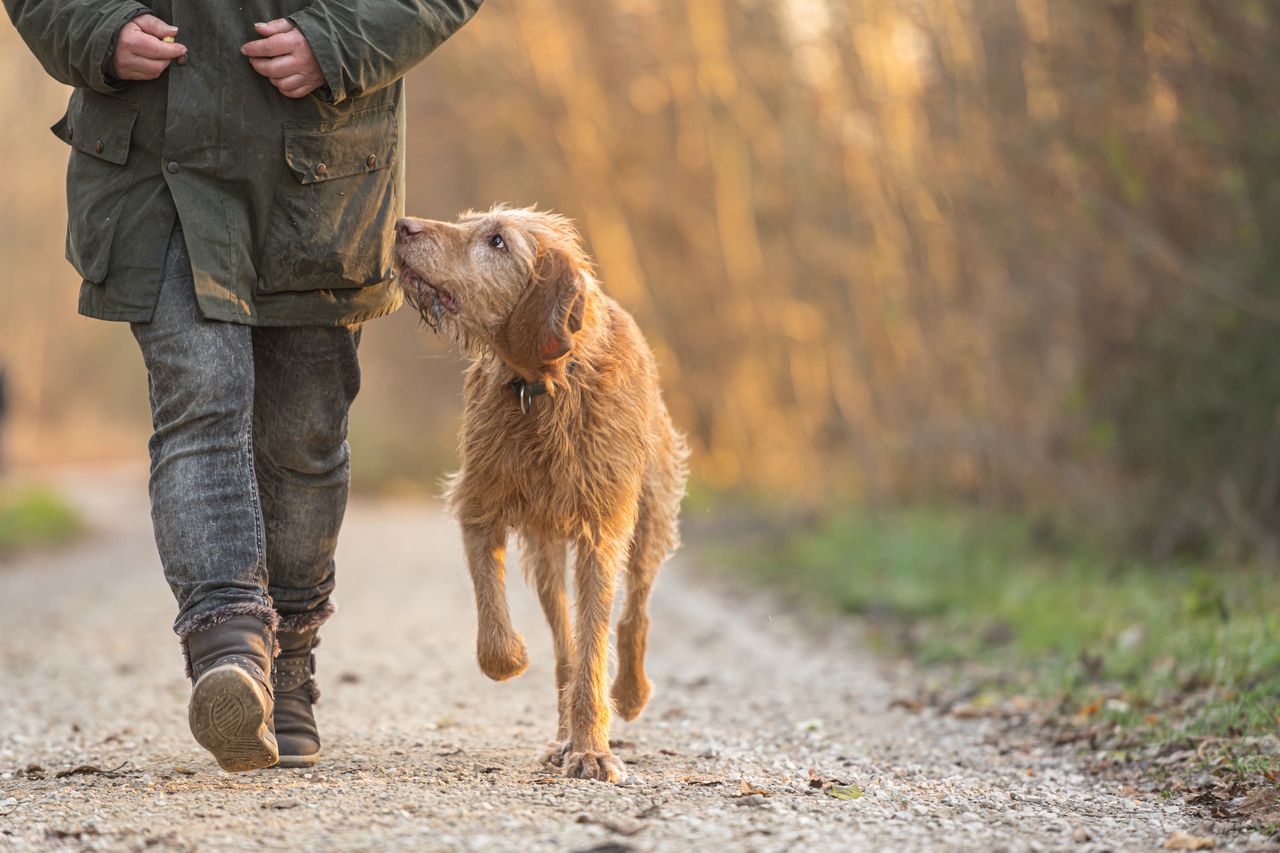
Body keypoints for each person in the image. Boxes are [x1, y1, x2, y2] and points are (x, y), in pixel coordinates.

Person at [4, 0, 483, 772]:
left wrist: (337, 40)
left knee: (304, 431)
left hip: (317, 167)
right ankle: (228, 646)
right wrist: (97, 28)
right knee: (201, 397)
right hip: (154, 163)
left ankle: (289, 662)